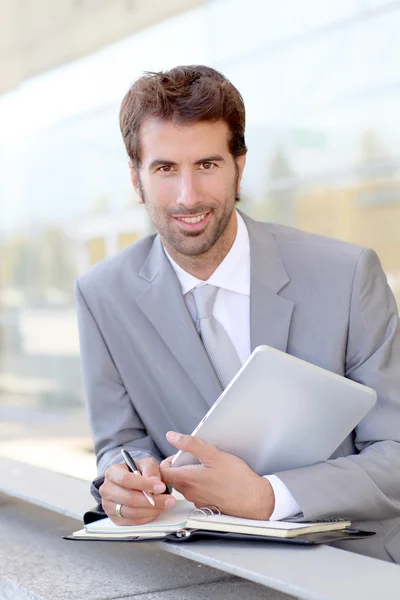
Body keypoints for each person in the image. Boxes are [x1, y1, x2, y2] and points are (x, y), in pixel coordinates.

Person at [75, 65, 400, 563]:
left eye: (207, 164)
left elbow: (395, 453)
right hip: (199, 565)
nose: (188, 196)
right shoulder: (102, 294)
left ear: (239, 167)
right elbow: (120, 441)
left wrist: (268, 498)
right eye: (164, 168)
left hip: (349, 561)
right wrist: (126, 483)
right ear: (136, 179)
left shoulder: (348, 274)